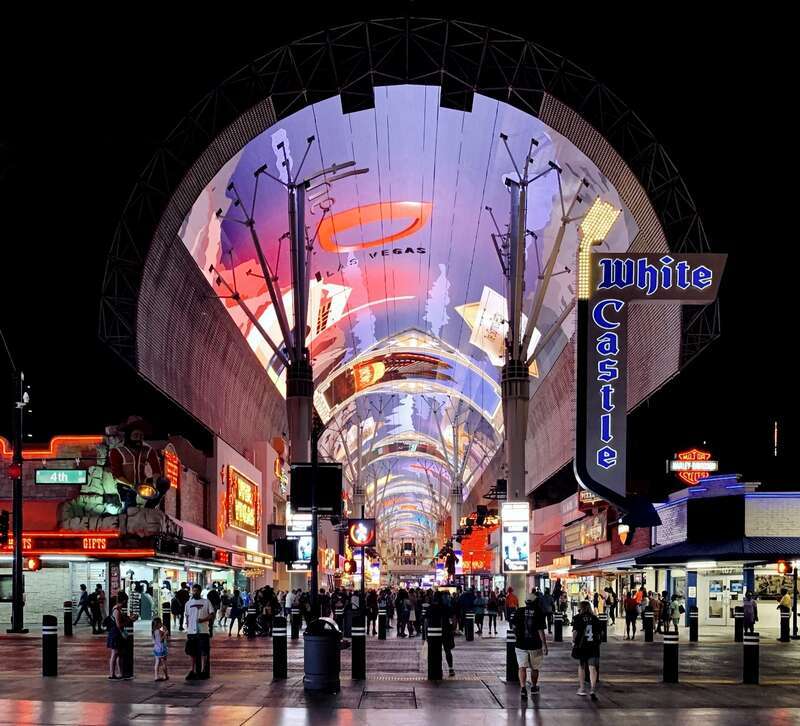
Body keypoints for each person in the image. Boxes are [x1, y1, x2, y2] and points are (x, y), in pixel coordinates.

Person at [514, 592, 548, 701]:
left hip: (520, 644)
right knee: (535, 667)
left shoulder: (519, 611)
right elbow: (540, 630)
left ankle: (523, 688)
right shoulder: (539, 612)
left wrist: (517, 636)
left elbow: (513, 626)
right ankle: (533, 686)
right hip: (535, 645)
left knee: (522, 667)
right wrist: (544, 645)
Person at [572, 600, 601, 700]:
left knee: (582, 666)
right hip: (593, 646)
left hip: (582, 646)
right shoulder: (595, 618)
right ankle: (593, 689)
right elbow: (599, 633)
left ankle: (582, 689)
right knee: (592, 668)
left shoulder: (578, 618)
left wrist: (573, 641)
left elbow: (575, 632)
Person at [185, 583, 214, 680]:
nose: (195, 592)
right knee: (192, 653)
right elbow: (187, 616)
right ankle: (193, 670)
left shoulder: (206, 602)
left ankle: (203, 671)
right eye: (194, 590)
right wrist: (188, 628)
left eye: (197, 591)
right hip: (191, 632)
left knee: (203, 652)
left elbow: (211, 614)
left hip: (203, 632)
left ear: (200, 591)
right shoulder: (188, 604)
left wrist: (203, 620)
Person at [107, 591, 138, 681]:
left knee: (119, 654)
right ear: (124, 601)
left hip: (117, 633)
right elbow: (119, 625)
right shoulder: (116, 610)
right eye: (126, 601)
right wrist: (129, 621)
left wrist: (130, 618)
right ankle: (112, 674)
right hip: (116, 634)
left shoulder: (118, 609)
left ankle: (120, 673)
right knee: (115, 653)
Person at [152, 616, 169, 681]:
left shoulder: (154, 631)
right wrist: (165, 633)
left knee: (157, 662)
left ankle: (156, 676)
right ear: (158, 624)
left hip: (156, 648)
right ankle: (166, 675)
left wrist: (164, 630)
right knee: (164, 662)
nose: (162, 623)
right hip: (161, 648)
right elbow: (161, 640)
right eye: (161, 622)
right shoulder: (158, 631)